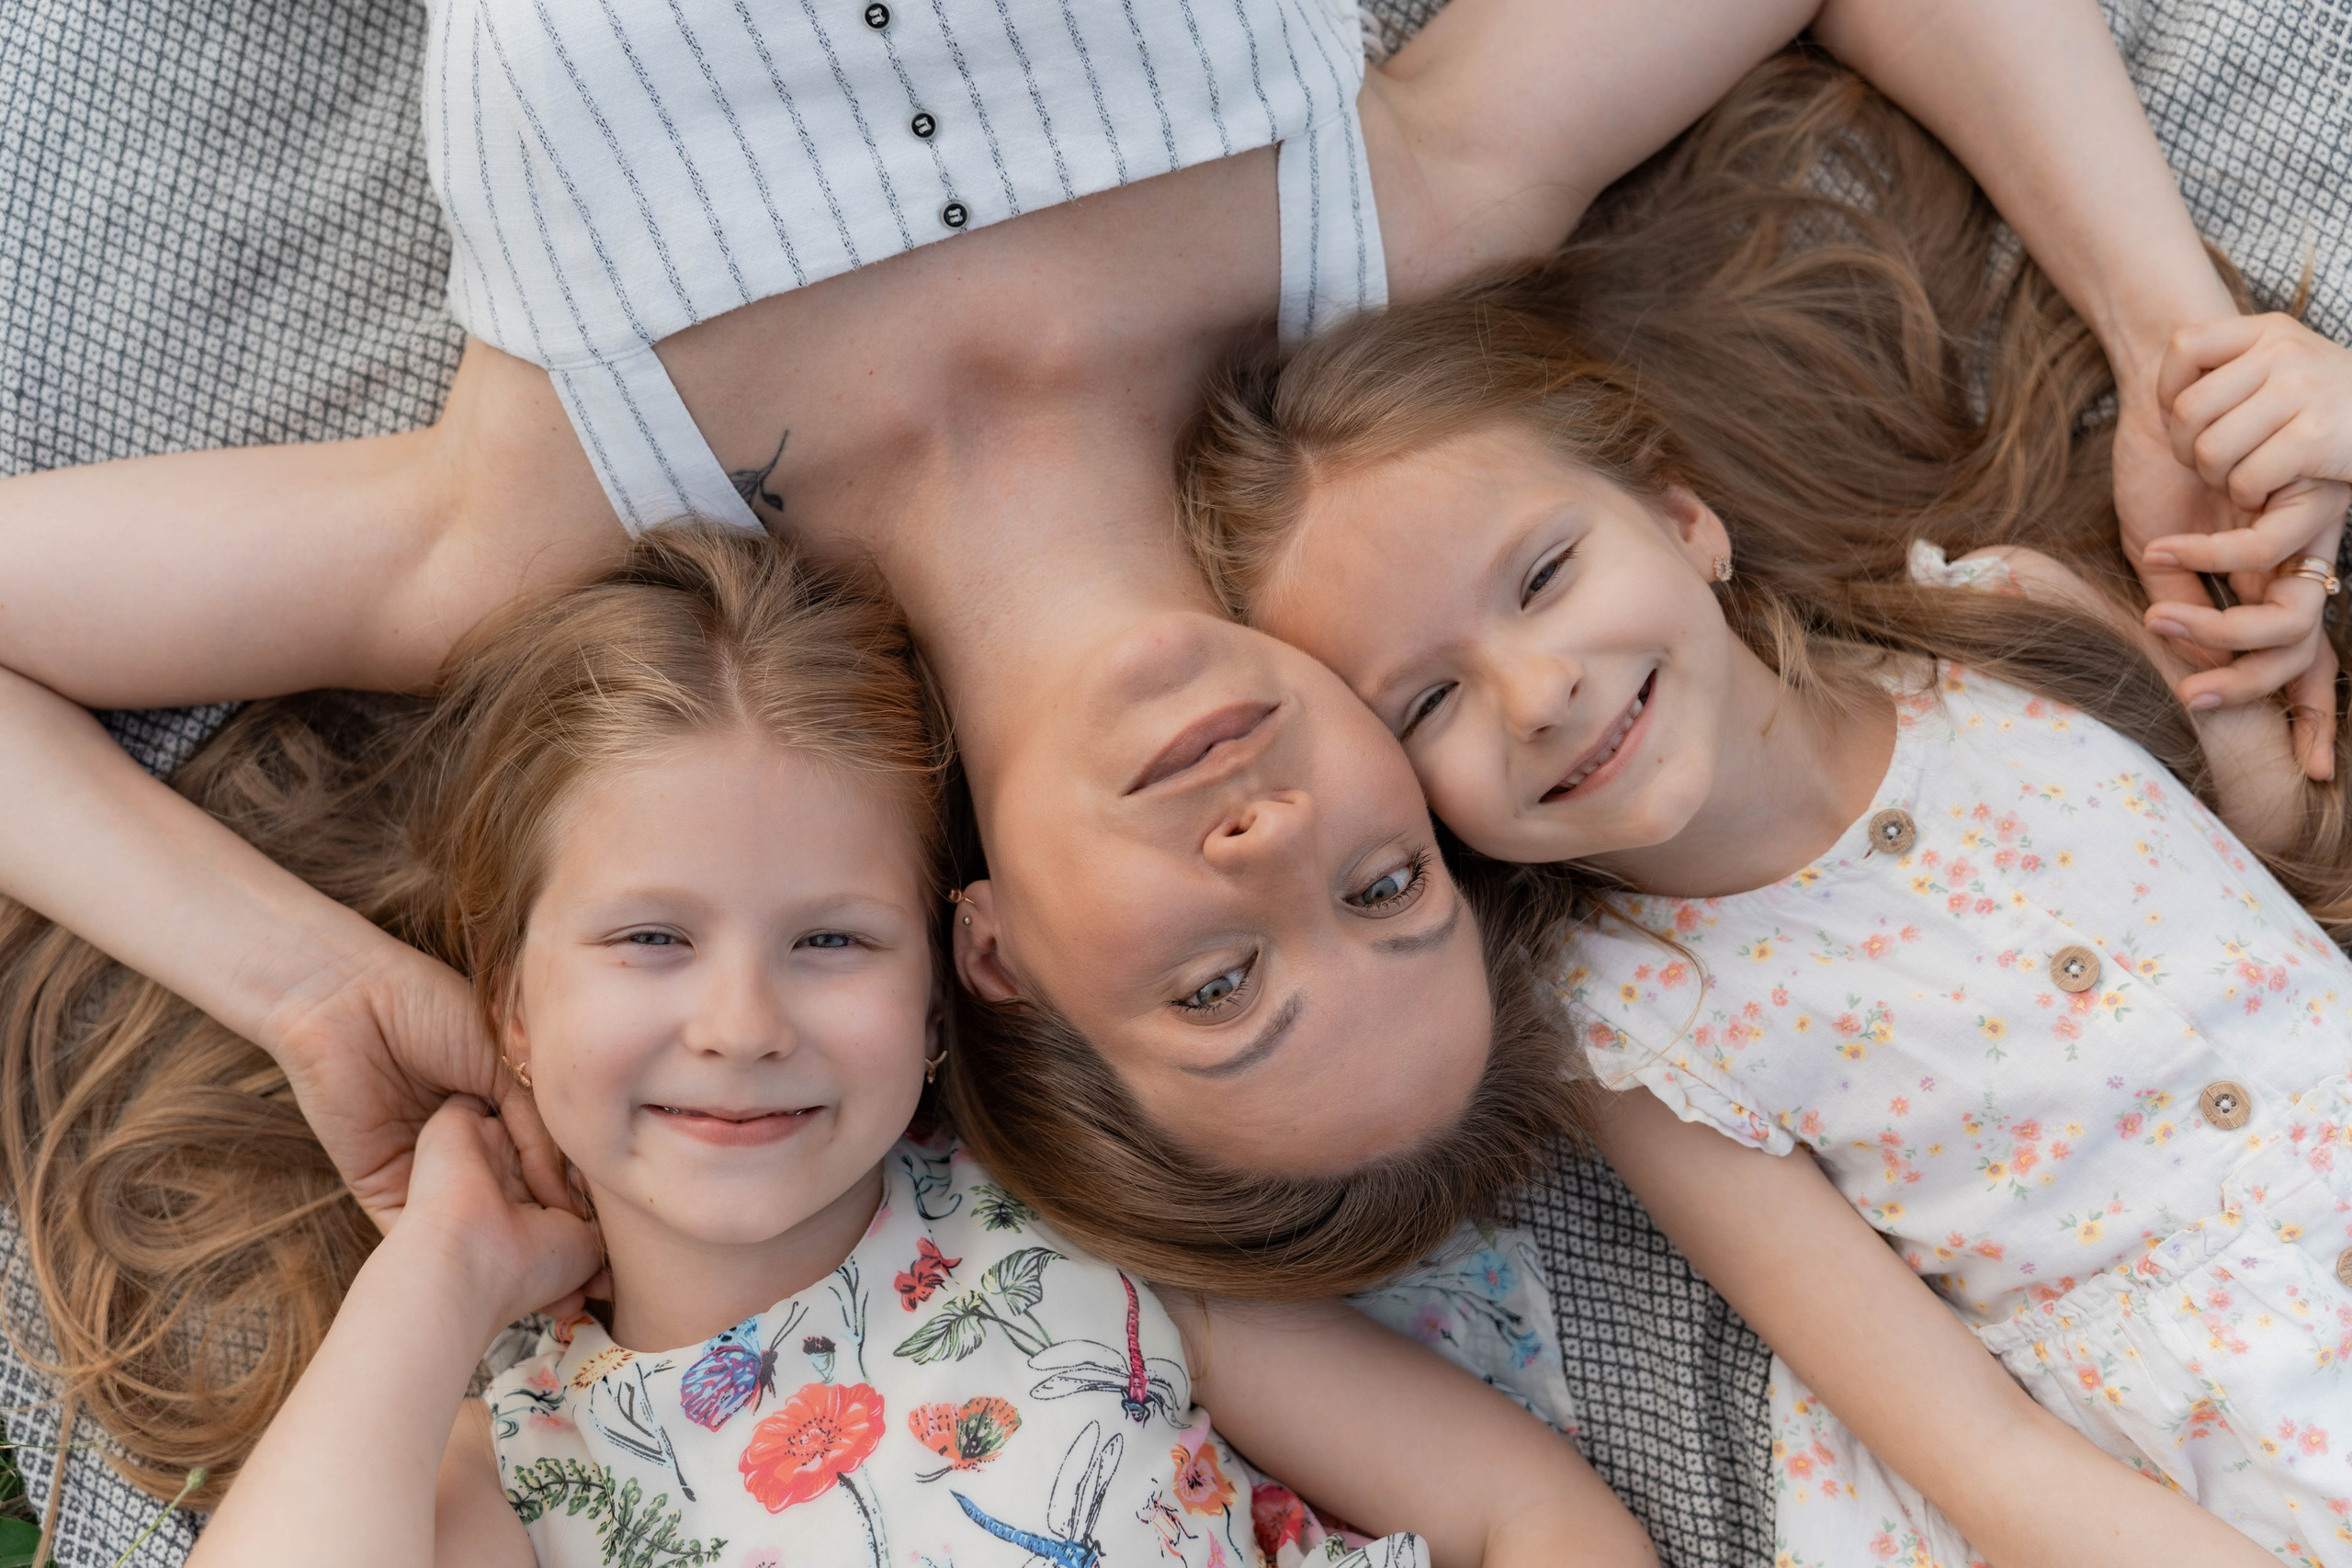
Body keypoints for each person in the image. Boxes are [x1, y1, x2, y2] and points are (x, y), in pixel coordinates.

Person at [0, 3, 2319, 1257]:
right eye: (1385, 883)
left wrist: (308, 976)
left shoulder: (539, 518)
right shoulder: (1383, 229)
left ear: (986, 957)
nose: (1260, 846)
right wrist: (2161, 331)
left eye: (1211, 984)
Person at [1176, 52, 2352, 1563]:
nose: (1538, 695)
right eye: (1429, 703)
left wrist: (2259, 709)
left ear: (1682, 519)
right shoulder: (1637, 1025)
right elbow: (1974, 1450)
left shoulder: (2001, 623)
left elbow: (2276, 889)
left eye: (1543, 578)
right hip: (2215, 1453)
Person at [148, 523, 1644, 1567]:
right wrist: (443, 1269)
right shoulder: (523, 1466)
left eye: (832, 941)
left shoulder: (1073, 1253)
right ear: (513, 1010)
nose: (741, 1028)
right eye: (651, 940)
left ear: (940, 992)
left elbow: (1535, 1519)